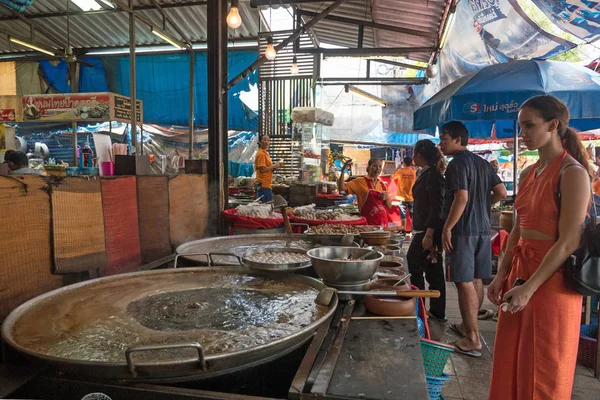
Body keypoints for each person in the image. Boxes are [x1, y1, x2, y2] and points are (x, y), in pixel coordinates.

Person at [488, 95, 591, 400]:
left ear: (554, 125)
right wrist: (500, 275)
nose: (523, 134)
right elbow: (518, 230)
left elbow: (569, 240)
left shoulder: (572, 173)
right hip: (520, 274)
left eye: (529, 126)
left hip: (551, 281)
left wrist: (530, 287)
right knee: (511, 359)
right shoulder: (527, 173)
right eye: (521, 127)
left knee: (545, 368)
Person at [439, 121, 507, 357]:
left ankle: (473, 338)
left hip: (463, 230)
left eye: (444, 139)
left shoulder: (456, 164)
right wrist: (482, 206)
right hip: (483, 229)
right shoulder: (482, 162)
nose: (440, 144)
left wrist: (447, 228)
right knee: (476, 278)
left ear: (458, 139)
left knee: (462, 281)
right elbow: (501, 193)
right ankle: (469, 328)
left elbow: (461, 198)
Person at [406, 140, 446, 321]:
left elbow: (437, 207)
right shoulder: (427, 172)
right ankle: (433, 310)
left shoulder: (433, 175)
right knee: (432, 269)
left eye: (414, 153)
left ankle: (422, 308)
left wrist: (429, 234)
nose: (413, 157)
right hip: (424, 230)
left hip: (428, 231)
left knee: (417, 265)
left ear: (419, 155)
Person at [338, 158, 392, 226]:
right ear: (368, 167)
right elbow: (342, 188)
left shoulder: (383, 185)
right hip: (367, 224)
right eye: (374, 166)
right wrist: (343, 170)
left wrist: (386, 198)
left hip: (383, 224)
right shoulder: (360, 181)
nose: (378, 168)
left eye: (380, 166)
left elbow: (389, 206)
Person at [254, 135, 282, 203]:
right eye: (264, 140)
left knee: (266, 206)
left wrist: (275, 167)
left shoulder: (266, 153)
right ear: (259, 142)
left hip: (266, 183)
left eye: (268, 140)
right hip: (263, 184)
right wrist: (274, 165)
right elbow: (262, 170)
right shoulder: (261, 154)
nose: (267, 142)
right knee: (264, 207)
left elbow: (267, 169)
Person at [392, 156, 417, 233]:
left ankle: (403, 229)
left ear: (404, 163)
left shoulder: (400, 172)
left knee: (403, 215)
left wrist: (398, 168)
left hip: (401, 197)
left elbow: (392, 177)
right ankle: (413, 230)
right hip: (411, 197)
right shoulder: (413, 172)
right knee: (413, 215)